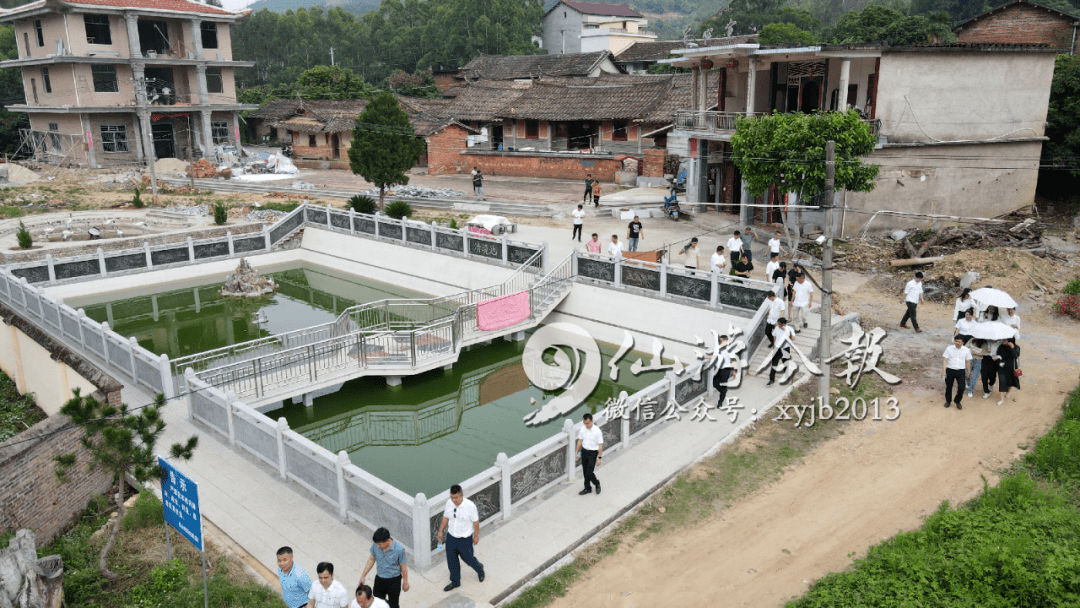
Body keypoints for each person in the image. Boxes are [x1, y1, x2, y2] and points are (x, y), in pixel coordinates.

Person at [436, 484, 485, 592]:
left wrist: (476, 536)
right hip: (451, 537)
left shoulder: (470, 506)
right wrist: (440, 531)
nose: (454, 500)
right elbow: (446, 517)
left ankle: (480, 569)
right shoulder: (449, 503)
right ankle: (455, 581)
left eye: (456, 497)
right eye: (452, 497)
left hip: (465, 539)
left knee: (468, 558)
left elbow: (476, 522)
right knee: (451, 560)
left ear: (462, 495)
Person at [358, 528, 409, 608]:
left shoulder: (399, 549)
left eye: (380, 544)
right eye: (377, 544)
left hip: (394, 580)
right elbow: (371, 559)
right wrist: (363, 576)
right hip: (380, 579)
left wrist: (405, 582)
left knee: (393, 604)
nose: (377, 546)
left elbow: (403, 566)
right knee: (376, 602)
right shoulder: (376, 545)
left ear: (388, 541)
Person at [575, 413, 603, 495]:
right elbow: (580, 441)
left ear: (591, 421)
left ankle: (597, 483)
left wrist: (599, 457)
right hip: (584, 452)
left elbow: (600, 445)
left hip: (592, 453)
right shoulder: (582, 429)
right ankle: (587, 488)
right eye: (584, 423)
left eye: (587, 423)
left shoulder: (597, 431)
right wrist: (576, 452)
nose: (586, 425)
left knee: (589, 472)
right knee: (585, 472)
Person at [942, 336, 972, 410]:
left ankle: (957, 401)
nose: (957, 343)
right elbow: (945, 360)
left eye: (959, 342)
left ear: (963, 343)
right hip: (950, 370)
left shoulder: (966, 350)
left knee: (962, 387)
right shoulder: (949, 348)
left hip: (961, 371)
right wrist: (943, 372)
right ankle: (948, 401)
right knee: (949, 387)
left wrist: (969, 372)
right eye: (956, 341)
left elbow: (968, 361)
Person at [767, 317, 795, 386]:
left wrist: (786, 330)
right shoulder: (776, 328)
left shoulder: (789, 329)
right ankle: (771, 380)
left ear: (783, 324)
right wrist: (774, 345)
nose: (778, 325)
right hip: (777, 348)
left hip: (785, 348)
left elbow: (793, 338)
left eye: (780, 324)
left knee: (785, 363)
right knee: (774, 364)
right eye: (778, 324)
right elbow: (774, 336)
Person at [712, 336, 739, 407]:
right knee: (714, 383)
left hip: (726, 370)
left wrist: (734, 371)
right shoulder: (717, 348)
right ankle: (723, 391)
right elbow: (714, 357)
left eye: (722, 341)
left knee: (723, 385)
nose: (721, 342)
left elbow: (733, 360)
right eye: (720, 341)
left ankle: (720, 402)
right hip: (718, 369)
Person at [996, 337, 1020, 405]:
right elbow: (998, 355)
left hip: (1011, 367)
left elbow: (1015, 356)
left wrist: (1012, 348)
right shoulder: (1001, 347)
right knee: (1002, 381)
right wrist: (999, 362)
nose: (1003, 341)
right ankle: (1002, 399)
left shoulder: (1016, 347)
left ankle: (1008, 392)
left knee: (1010, 381)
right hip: (1002, 367)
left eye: (1005, 340)